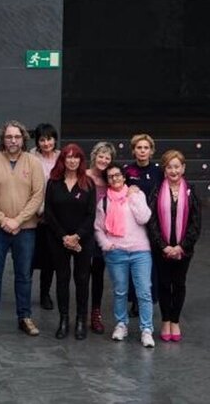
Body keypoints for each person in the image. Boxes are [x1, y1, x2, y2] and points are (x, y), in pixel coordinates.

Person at [0, 120, 45, 337]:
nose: (13, 140)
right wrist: (2, 220)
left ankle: (24, 316)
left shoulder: (33, 162)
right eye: (9, 137)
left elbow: (38, 195)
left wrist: (18, 220)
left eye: (17, 136)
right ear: (3, 139)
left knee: (24, 275)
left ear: (23, 138)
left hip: (25, 229)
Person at [94, 163, 155, 347]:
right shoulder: (104, 201)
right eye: (111, 176)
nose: (115, 179)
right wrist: (106, 245)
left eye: (118, 175)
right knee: (120, 291)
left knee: (144, 291)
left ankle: (147, 329)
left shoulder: (136, 194)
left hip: (140, 251)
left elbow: (144, 218)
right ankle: (121, 324)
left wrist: (133, 197)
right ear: (108, 181)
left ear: (124, 176)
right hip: (116, 252)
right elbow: (98, 228)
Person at [147, 150, 202, 342]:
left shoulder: (191, 191)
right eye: (169, 167)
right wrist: (163, 246)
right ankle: (165, 320)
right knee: (163, 284)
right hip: (161, 249)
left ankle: (175, 320)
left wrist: (181, 247)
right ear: (164, 169)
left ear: (183, 168)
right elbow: (151, 221)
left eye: (177, 166)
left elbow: (196, 224)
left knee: (178, 284)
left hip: (183, 250)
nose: (173, 170)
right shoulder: (156, 190)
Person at [44, 143, 95, 340]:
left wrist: (77, 237)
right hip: (59, 239)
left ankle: (81, 320)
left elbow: (91, 215)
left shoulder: (88, 183)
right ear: (62, 160)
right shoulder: (53, 182)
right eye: (68, 157)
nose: (72, 161)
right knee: (62, 279)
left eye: (76, 157)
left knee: (82, 279)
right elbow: (49, 212)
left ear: (81, 161)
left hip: (83, 240)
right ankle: (63, 319)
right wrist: (64, 237)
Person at [123, 133, 162, 314]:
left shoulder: (158, 171)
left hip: (154, 224)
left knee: (151, 263)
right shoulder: (127, 171)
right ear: (133, 150)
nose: (142, 151)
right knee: (134, 263)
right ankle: (135, 300)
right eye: (139, 147)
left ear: (151, 151)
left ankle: (148, 298)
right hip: (133, 226)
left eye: (146, 147)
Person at [86, 141, 115, 334]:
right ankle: (79, 312)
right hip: (82, 230)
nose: (103, 160)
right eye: (101, 155)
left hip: (102, 232)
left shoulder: (110, 180)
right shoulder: (84, 176)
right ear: (94, 156)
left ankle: (95, 313)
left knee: (97, 274)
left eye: (108, 157)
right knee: (80, 274)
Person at [31, 123, 59, 312]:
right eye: (42, 139)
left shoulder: (62, 157)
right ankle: (24, 295)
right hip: (32, 215)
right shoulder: (30, 157)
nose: (46, 142)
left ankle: (44, 294)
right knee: (29, 258)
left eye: (49, 138)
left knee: (50, 260)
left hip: (54, 216)